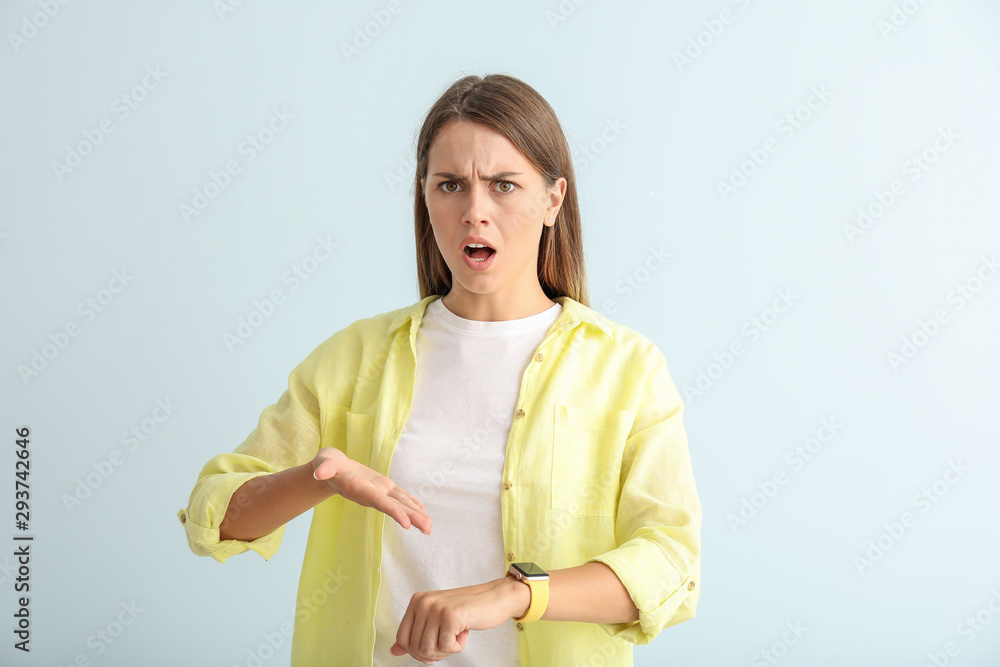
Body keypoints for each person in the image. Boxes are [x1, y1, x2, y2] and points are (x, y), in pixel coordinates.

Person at [178, 72, 701, 666]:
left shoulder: (626, 368)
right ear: (424, 196)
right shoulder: (353, 358)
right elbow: (216, 516)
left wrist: (516, 594)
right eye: (450, 185)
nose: (474, 212)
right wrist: (318, 478)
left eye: (504, 185)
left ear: (553, 199)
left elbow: (671, 564)